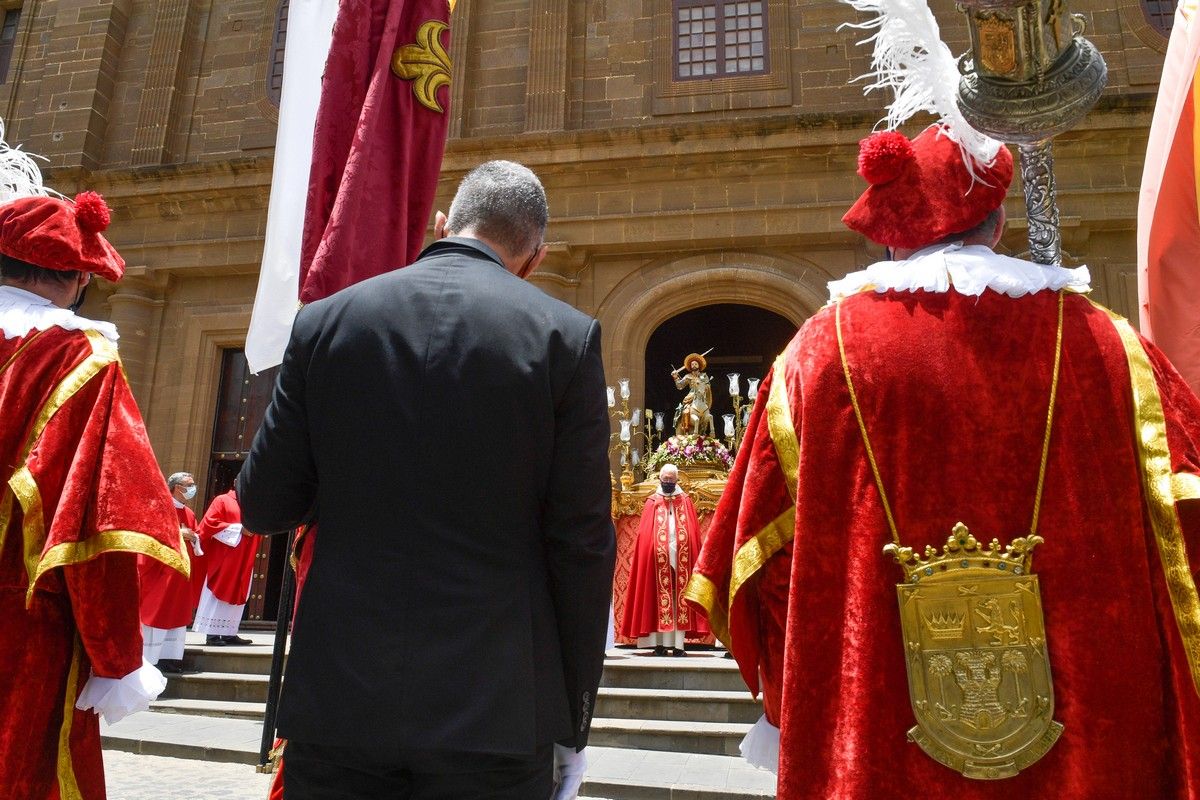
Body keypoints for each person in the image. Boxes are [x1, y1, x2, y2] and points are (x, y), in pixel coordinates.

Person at [686, 122, 1200, 798]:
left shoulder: (814, 356)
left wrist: (798, 697)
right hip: (1100, 732)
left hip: (877, 726)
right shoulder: (1112, 345)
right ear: (998, 220)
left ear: (893, 229)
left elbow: (756, 564)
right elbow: (1186, 530)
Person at [238, 160, 615, 799]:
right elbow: (581, 544)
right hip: (495, 709)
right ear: (535, 256)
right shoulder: (565, 338)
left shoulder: (325, 322)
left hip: (338, 702)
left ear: (444, 222)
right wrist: (572, 716)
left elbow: (264, 504)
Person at [0, 186, 188, 799]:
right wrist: (117, 657)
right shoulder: (75, 356)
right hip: (20, 634)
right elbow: (91, 526)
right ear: (79, 277)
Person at [620, 464, 706, 656]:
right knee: (654, 598)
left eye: (671, 480)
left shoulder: (685, 501)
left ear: (677, 480)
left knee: (679, 599)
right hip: (656, 559)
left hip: (680, 557)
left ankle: (678, 646)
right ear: (660, 479)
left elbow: (692, 531)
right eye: (665, 480)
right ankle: (658, 645)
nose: (668, 483)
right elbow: (644, 534)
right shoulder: (652, 502)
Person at [139, 471, 203, 672]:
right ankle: (151, 659)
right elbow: (149, 533)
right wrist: (178, 532)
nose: (192, 489)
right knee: (159, 612)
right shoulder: (158, 507)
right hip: (161, 571)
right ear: (176, 487)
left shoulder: (189, 513)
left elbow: (196, 534)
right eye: (188, 485)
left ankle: (169, 658)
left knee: (175, 614)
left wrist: (194, 537)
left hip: (179, 572)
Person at [193, 487, 256, 646]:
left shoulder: (252, 503)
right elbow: (209, 523)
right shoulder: (222, 500)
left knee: (238, 591)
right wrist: (239, 529)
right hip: (224, 556)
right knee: (218, 590)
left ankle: (229, 632)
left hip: (244, 556)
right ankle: (211, 634)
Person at [672, 353, 715, 437]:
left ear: (699, 365)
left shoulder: (704, 375)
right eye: (692, 364)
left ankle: (704, 428)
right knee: (685, 410)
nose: (694, 365)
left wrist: (703, 387)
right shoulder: (688, 376)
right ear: (690, 366)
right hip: (691, 396)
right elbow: (680, 386)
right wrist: (676, 377)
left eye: (695, 364)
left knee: (706, 411)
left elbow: (707, 385)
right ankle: (685, 427)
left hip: (702, 395)